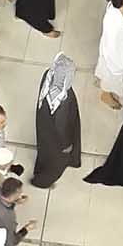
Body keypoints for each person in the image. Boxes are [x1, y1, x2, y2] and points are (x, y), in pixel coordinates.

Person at [32, 54, 81, 187]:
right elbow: (63, 129)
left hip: (44, 131)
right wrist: (66, 147)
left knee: (45, 153)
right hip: (57, 143)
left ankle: (41, 167)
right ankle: (42, 182)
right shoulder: (62, 105)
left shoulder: (47, 77)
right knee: (56, 164)